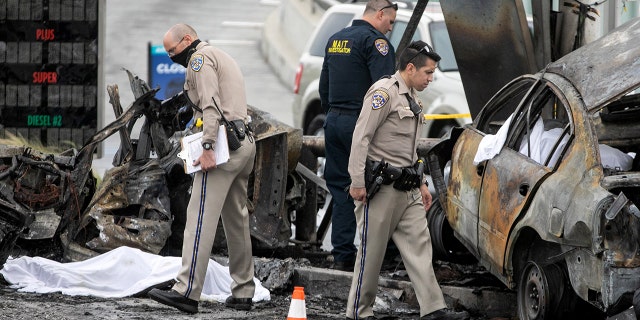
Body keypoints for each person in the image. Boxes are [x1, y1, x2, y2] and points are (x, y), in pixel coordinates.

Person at [346, 40, 469, 320]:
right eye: (428, 72)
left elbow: (410, 147)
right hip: (381, 190)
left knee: (420, 249)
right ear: (410, 68)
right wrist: (357, 182)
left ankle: (433, 310)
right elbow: (360, 138)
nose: (431, 78)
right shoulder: (384, 94)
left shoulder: (413, 98)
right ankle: (358, 313)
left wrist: (423, 183)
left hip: (408, 187)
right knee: (371, 255)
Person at [148, 23, 256, 314]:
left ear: (188, 39)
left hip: (221, 146)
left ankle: (186, 291)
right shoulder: (221, 55)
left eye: (173, 50)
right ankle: (244, 291)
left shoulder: (198, 59)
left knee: (198, 219)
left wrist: (208, 147)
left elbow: (210, 106)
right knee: (236, 220)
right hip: (244, 142)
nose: (172, 56)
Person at [319, 0, 397, 271]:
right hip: (361, 125)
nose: (390, 28)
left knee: (341, 187)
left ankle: (342, 255)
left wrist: (332, 116)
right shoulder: (377, 44)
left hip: (334, 122)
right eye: (390, 21)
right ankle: (375, 257)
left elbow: (324, 87)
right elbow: (384, 91)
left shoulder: (335, 39)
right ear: (379, 14)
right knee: (374, 188)